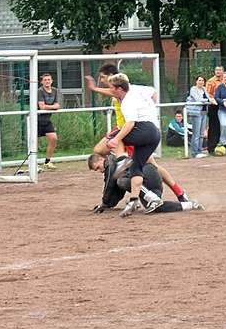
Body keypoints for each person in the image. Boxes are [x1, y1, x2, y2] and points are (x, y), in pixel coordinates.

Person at [85, 63, 190, 202]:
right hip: (131, 130)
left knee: (101, 149)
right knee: (150, 165)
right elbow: (152, 92)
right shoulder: (125, 89)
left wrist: (94, 89)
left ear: (112, 78)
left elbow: (147, 95)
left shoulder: (121, 91)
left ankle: (123, 161)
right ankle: (180, 193)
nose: (102, 80)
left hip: (130, 130)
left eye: (103, 77)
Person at [105, 73, 164, 212]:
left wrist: (116, 139)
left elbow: (130, 123)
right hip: (154, 133)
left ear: (120, 89)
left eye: (112, 88)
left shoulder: (127, 101)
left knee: (114, 136)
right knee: (136, 168)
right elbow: (152, 92)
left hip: (145, 130)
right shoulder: (137, 92)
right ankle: (133, 200)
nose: (110, 91)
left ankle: (122, 160)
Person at [88, 153, 204, 216]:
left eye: (97, 167)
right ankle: (190, 205)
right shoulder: (113, 167)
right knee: (156, 208)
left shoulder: (111, 163)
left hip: (147, 175)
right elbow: (116, 193)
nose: (100, 171)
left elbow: (109, 185)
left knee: (122, 181)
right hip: (149, 180)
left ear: (101, 159)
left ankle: (153, 198)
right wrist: (107, 204)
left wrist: (104, 203)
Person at [37, 73, 62, 169]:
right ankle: (33, 163)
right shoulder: (40, 91)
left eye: (49, 80)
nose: (47, 81)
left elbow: (58, 106)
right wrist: (52, 107)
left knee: (53, 138)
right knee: (35, 143)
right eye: (45, 80)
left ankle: (47, 161)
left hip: (47, 119)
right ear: (42, 82)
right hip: (37, 119)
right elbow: (42, 107)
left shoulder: (55, 90)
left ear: (51, 81)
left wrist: (50, 107)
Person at [186, 75, 209, 158]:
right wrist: (209, 100)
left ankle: (200, 151)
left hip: (204, 112)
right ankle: (194, 152)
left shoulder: (204, 89)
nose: (201, 82)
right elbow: (198, 99)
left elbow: (208, 97)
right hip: (196, 113)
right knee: (196, 133)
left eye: (202, 80)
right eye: (199, 80)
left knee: (201, 133)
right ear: (196, 81)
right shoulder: (193, 89)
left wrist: (210, 99)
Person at [205, 66, 224, 154]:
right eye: (216, 70)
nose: (218, 72)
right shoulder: (211, 81)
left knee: (223, 126)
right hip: (214, 106)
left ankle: (222, 145)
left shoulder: (225, 80)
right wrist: (216, 99)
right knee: (213, 127)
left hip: (224, 105)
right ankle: (211, 147)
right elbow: (208, 94)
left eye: (219, 70)